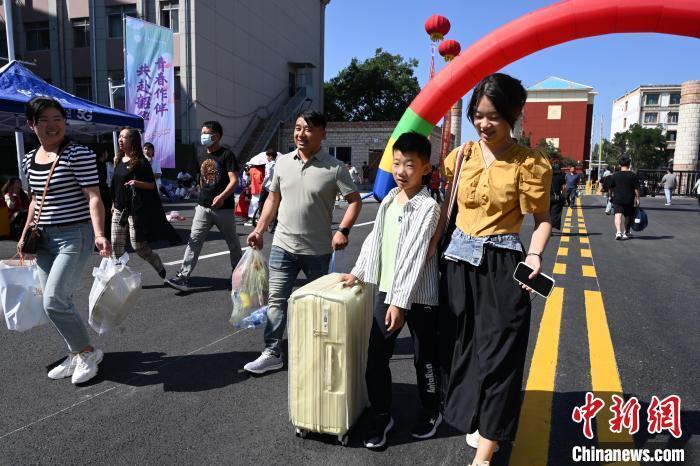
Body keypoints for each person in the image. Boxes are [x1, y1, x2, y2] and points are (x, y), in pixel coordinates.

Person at [429, 73, 552, 466]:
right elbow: (446, 207)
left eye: (494, 116)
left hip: (502, 264)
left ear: (513, 114)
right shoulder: (460, 156)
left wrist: (534, 256)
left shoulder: (529, 163)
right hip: (456, 264)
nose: (484, 124)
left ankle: (486, 451)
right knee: (462, 349)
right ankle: (479, 418)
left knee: (502, 353)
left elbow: (543, 219)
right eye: (478, 115)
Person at [338, 131, 441, 448]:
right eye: (397, 163)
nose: (401, 171)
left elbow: (414, 255)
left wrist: (400, 302)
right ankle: (382, 415)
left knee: (424, 359)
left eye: (409, 164)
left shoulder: (428, 207)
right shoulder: (389, 200)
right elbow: (375, 241)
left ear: (425, 168)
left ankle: (431, 410)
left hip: (419, 296)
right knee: (376, 357)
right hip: (387, 292)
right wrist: (357, 273)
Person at [244, 110, 362, 374]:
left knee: (318, 304)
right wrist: (259, 230)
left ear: (322, 134)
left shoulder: (335, 168)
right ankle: (272, 352)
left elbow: (355, 201)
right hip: (282, 245)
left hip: (318, 251)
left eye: (308, 129)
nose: (301, 134)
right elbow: (273, 198)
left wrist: (343, 230)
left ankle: (317, 351)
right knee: (276, 300)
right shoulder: (283, 163)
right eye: (298, 128)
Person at [18, 96, 112, 384]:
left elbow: (93, 197)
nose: (52, 125)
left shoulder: (77, 154)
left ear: (65, 122)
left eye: (57, 119)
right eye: (44, 120)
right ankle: (76, 352)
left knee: (54, 300)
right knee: (57, 301)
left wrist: (99, 234)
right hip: (43, 239)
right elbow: (34, 200)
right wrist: (24, 234)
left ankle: (87, 353)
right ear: (31, 124)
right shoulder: (28, 159)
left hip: (74, 236)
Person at [165, 121, 242, 291]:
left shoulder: (227, 155)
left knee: (233, 243)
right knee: (194, 240)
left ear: (217, 136)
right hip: (203, 207)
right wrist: (200, 196)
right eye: (202, 133)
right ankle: (183, 277)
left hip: (223, 209)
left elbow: (234, 180)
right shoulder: (201, 155)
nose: (203, 136)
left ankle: (237, 277)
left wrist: (221, 196)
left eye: (206, 133)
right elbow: (201, 179)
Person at [111, 128, 179, 277]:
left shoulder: (142, 162)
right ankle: (120, 278)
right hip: (119, 209)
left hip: (135, 210)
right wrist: (113, 203)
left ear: (133, 141)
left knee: (138, 246)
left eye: (124, 137)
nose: (120, 140)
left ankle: (156, 262)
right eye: (120, 136)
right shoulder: (118, 159)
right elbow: (115, 184)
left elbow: (151, 185)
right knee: (116, 246)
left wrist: (136, 183)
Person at [608, 156, 640, 241]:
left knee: (617, 214)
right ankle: (626, 232)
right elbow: (636, 189)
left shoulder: (614, 175)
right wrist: (638, 199)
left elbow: (610, 188)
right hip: (629, 198)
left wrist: (610, 196)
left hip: (617, 198)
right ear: (629, 164)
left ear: (619, 165)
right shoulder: (633, 176)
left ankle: (618, 232)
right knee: (628, 216)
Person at [252, 149, 277, 227]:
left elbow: (267, 175)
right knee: (274, 202)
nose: (267, 158)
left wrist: (263, 183)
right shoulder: (278, 164)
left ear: (270, 156)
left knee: (261, 201)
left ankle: (261, 216)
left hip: (267, 186)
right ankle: (274, 218)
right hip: (274, 187)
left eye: (267, 156)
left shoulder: (268, 165)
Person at [96, 149, 113, 241]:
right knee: (106, 212)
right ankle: (107, 233)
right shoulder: (101, 164)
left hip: (99, 190)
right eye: (106, 153)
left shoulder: (96, 164)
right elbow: (104, 178)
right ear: (103, 154)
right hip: (103, 190)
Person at [549, 160, 566, 231]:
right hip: (557, 197)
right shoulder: (561, 176)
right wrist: (564, 196)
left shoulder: (547, 175)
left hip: (547, 197)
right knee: (555, 214)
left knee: (546, 214)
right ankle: (550, 229)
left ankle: (546, 229)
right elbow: (564, 188)